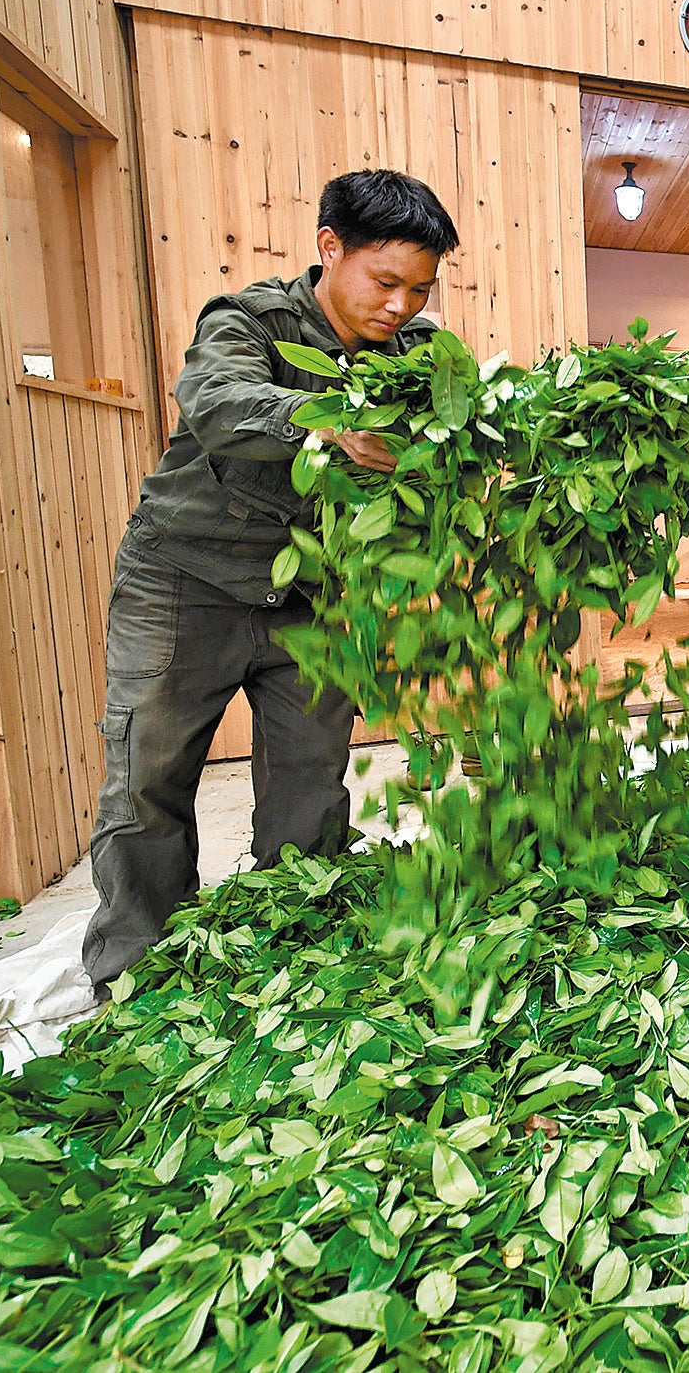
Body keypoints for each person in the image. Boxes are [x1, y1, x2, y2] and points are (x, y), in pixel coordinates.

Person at [82, 170, 460, 992]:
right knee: (148, 777)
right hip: (187, 578)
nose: (401, 306)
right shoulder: (250, 321)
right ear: (331, 249)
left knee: (308, 784)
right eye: (386, 281)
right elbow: (215, 401)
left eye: (420, 288)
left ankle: (295, 956)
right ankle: (136, 975)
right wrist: (327, 422)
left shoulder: (422, 356)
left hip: (316, 593)